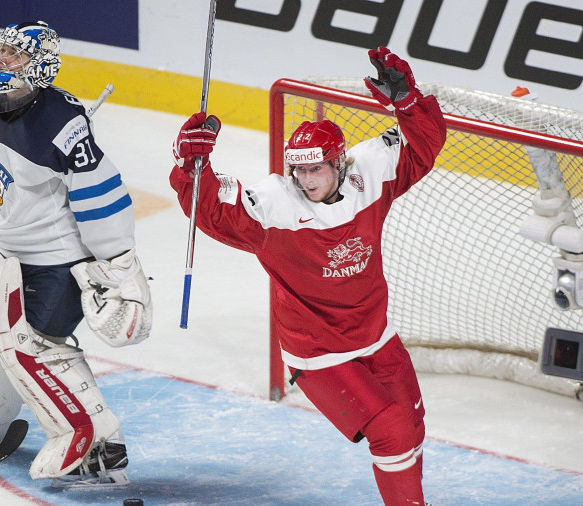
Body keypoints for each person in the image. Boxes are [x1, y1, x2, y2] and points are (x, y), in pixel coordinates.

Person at [170, 47, 446, 505]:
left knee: (413, 426)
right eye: (298, 168)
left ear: (339, 163)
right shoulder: (275, 205)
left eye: (315, 167)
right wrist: (189, 166)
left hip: (375, 335)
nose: (306, 178)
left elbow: (423, 147)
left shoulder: (369, 174)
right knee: (393, 432)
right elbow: (215, 213)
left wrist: (409, 103)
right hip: (318, 352)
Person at [0, 21, 152, 489]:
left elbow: (102, 197)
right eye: (3, 52)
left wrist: (121, 268)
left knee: (33, 348)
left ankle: (96, 441)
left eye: (16, 56)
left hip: (53, 257)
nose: (3, 61)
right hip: (3, 244)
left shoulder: (62, 124)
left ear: (40, 66)